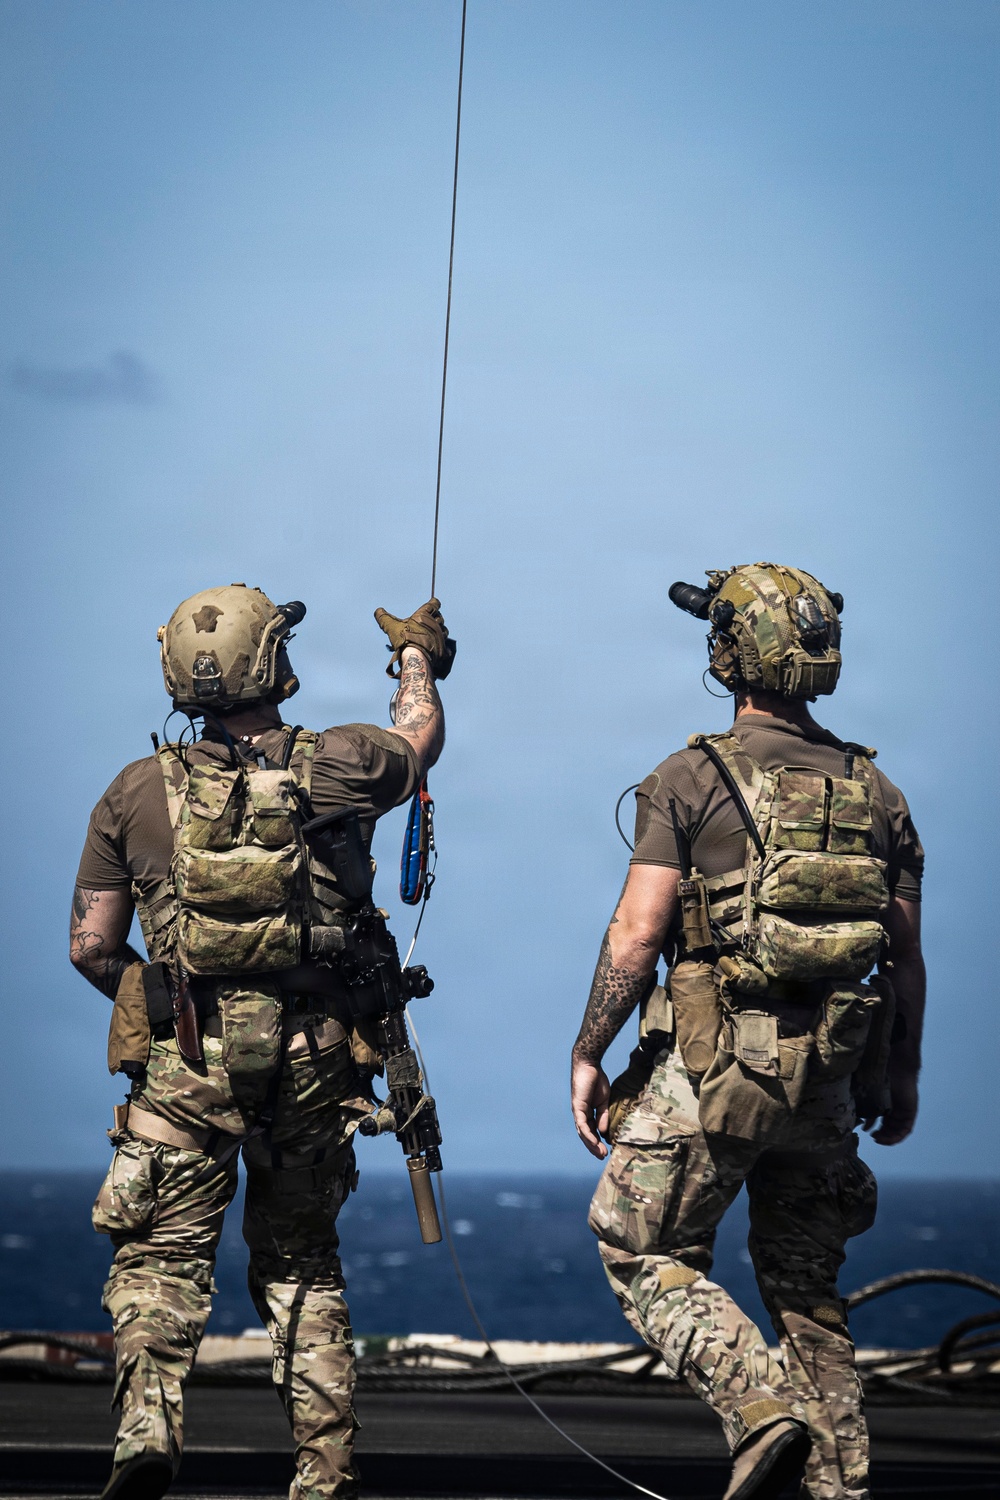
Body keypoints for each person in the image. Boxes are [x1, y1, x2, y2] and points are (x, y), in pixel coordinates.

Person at [70, 583, 454, 1500]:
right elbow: (421, 739)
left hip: (187, 1059)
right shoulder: (345, 764)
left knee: (161, 1257)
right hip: (315, 1058)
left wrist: (161, 998)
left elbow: (89, 943)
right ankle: (324, 1472)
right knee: (301, 1261)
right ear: (276, 662)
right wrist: (415, 657)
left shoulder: (133, 792)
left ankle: (147, 1435)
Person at [570, 564, 925, 1500]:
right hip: (833, 1075)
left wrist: (589, 1050)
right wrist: (901, 1081)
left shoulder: (690, 777)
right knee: (806, 1289)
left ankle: (758, 1409)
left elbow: (639, 933)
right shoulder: (876, 790)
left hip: (716, 1067)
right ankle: (839, 1485)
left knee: (638, 1243)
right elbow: (905, 960)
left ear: (729, 657)